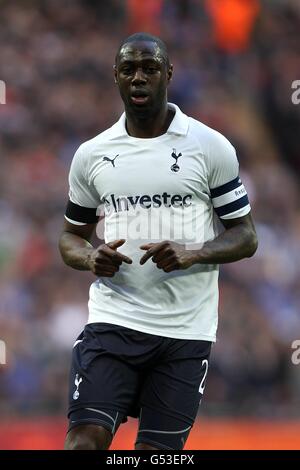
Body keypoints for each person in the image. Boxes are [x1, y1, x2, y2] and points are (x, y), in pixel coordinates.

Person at [59, 32, 258, 451]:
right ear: (115, 76)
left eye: (149, 68)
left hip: (185, 333)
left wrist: (195, 252)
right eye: (129, 69)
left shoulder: (209, 146)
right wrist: (90, 257)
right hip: (113, 323)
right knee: (82, 444)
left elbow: (246, 235)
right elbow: (70, 237)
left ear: (168, 74)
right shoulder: (92, 155)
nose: (138, 77)